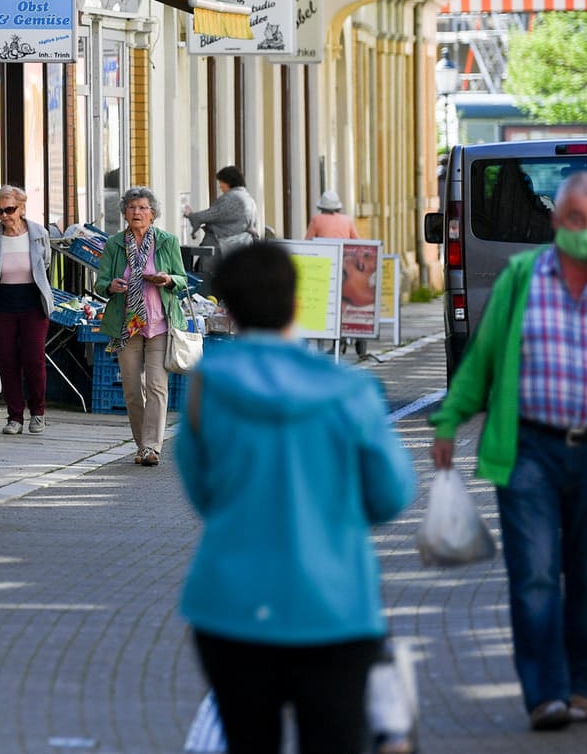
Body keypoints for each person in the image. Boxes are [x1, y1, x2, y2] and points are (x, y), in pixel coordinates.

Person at [176, 242, 416, 753]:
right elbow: (391, 494)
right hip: (335, 606)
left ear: (229, 309)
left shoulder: (206, 387)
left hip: (231, 605)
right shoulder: (350, 392)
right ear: (295, 301)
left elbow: (202, 492)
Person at [430, 171, 587, 732]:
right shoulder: (523, 277)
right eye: (577, 221)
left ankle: (581, 686)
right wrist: (449, 418)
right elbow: (484, 356)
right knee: (536, 575)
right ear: (555, 222)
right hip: (529, 451)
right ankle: (545, 694)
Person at [94, 187, 188, 467]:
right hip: (127, 326)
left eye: (143, 208)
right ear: (124, 212)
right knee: (133, 390)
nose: (137, 212)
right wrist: (111, 286)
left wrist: (167, 279)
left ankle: (151, 447)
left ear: (153, 214)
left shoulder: (167, 241)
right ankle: (141, 444)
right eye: (132, 207)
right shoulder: (114, 244)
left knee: (157, 386)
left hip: (159, 323)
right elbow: (100, 283)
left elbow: (182, 279)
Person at [0, 185, 55, 435]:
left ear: (22, 207)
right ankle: (15, 417)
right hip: (1, 304)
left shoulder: (38, 233)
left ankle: (38, 413)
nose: (5, 215)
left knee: (34, 359)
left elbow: (46, 263)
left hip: (32, 302)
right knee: (7, 361)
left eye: (10, 209)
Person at [306, 190, 368, 357]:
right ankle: (355, 336)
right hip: (346, 269)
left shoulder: (317, 220)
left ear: (322, 207)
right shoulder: (347, 221)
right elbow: (358, 243)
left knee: (328, 305)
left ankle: (334, 342)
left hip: (325, 268)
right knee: (344, 304)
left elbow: (308, 243)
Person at [182, 165, 261, 264]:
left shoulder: (232, 198)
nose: (220, 186)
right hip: (239, 248)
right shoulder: (247, 198)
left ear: (228, 182)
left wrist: (190, 214)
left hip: (221, 249)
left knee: (207, 275)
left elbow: (209, 215)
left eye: (221, 182)